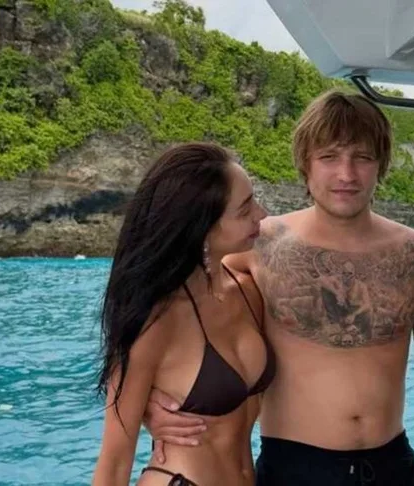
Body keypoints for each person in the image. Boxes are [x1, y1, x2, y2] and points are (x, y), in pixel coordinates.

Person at [143, 90, 414, 486]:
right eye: (329, 157)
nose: (346, 174)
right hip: (294, 469)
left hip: (393, 467)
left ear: (381, 164)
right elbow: (161, 315)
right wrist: (145, 404)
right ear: (305, 164)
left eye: (362, 157)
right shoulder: (259, 246)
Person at [91, 142, 271, 486]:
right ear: (202, 227)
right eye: (245, 209)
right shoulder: (157, 320)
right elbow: (114, 463)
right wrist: (142, 408)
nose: (261, 214)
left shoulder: (246, 289)